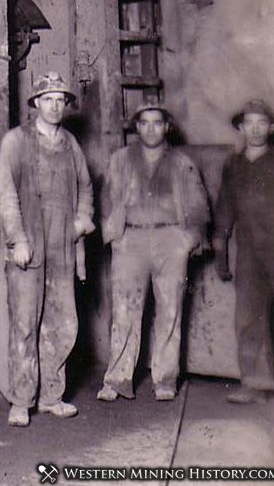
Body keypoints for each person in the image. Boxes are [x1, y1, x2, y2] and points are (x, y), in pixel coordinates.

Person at [0, 71, 95, 427]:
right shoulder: (16, 141)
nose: (54, 106)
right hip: (29, 247)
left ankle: (52, 395)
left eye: (60, 99)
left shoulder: (70, 144)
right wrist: (17, 238)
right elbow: (5, 193)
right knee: (25, 324)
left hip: (62, 246)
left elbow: (85, 186)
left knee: (63, 323)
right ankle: (21, 400)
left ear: (66, 105)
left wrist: (83, 219)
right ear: (35, 103)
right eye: (47, 98)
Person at [97, 101, 209, 403]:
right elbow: (107, 200)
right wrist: (114, 237)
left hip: (169, 239)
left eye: (157, 122)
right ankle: (118, 379)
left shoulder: (182, 163)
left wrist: (187, 240)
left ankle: (165, 379)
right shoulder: (120, 160)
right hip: (131, 239)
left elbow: (199, 207)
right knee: (124, 311)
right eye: (144, 122)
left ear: (167, 127)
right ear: (136, 126)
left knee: (170, 311)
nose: (150, 128)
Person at [213, 99, 274, 404]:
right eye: (249, 123)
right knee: (248, 317)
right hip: (249, 254)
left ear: (272, 128)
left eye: (261, 123)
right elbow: (225, 209)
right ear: (241, 127)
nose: (255, 129)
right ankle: (257, 384)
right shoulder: (234, 165)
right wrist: (220, 253)